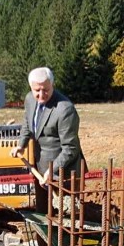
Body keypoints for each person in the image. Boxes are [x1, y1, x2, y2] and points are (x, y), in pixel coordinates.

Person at [10, 67, 84, 215]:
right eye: (37, 90)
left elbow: (71, 148)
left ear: (52, 85)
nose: (41, 94)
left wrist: (53, 169)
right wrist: (21, 144)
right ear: (31, 87)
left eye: (46, 90)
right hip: (40, 169)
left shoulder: (65, 109)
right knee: (43, 214)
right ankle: (43, 239)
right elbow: (28, 121)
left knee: (67, 219)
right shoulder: (30, 99)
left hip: (65, 173)